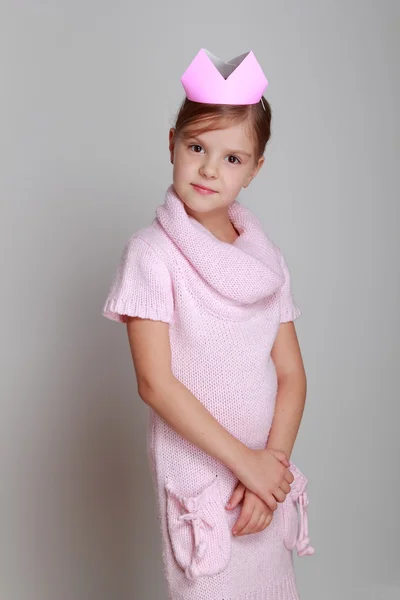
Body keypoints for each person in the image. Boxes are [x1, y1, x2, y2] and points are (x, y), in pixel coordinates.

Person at [102, 48, 314, 600]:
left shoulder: (266, 262)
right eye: (197, 147)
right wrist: (245, 464)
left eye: (232, 158)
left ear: (257, 167)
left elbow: (291, 374)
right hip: (202, 474)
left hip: (262, 475)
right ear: (171, 141)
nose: (209, 169)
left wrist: (270, 471)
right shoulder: (152, 254)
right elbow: (155, 382)